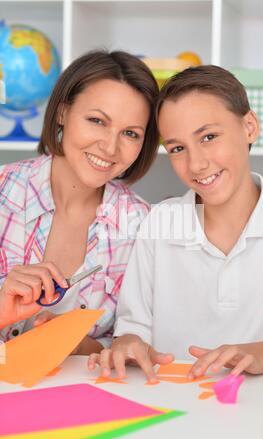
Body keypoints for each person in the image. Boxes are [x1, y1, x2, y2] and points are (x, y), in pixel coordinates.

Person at [88, 65, 263, 378]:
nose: (196, 163)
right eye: (177, 148)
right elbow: (133, 330)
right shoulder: (159, 222)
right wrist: (129, 343)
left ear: (250, 127)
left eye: (209, 137)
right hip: (174, 410)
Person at [0, 49, 159, 355]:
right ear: (62, 113)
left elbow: (129, 340)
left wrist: (75, 343)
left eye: (130, 133)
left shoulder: (141, 224)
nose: (110, 147)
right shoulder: (4, 191)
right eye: (97, 120)